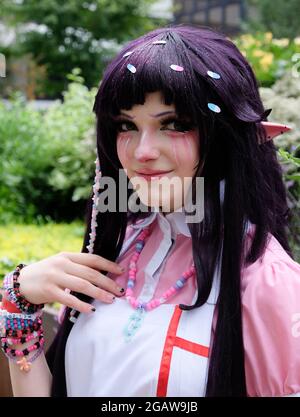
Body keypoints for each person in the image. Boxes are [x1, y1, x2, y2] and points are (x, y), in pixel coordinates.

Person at [1, 24, 300, 398]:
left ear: (227, 136)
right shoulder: (116, 249)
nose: (142, 151)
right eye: (126, 125)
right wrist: (19, 305)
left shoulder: (267, 284)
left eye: (174, 124)